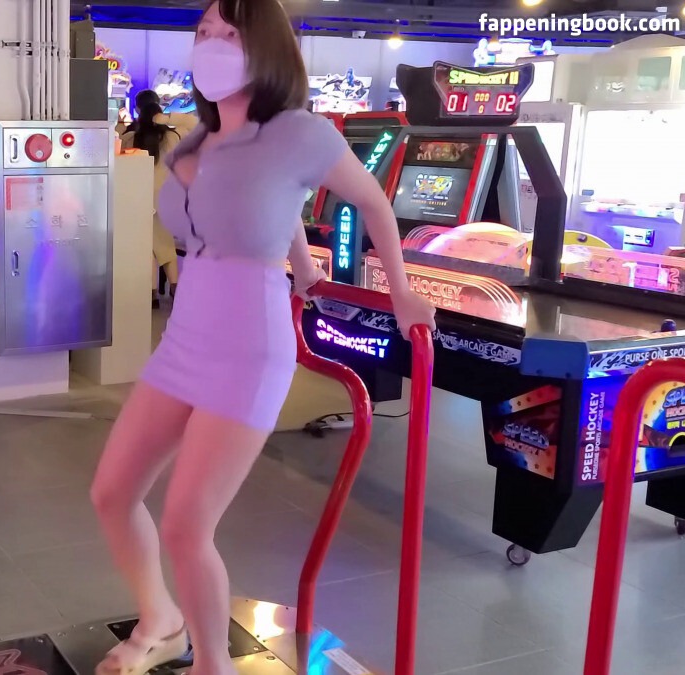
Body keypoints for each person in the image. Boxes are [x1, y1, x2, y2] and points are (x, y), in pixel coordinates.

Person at [88, 2, 437, 675]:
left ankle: (213, 664)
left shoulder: (299, 132)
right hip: (184, 339)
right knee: (112, 491)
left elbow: (372, 201)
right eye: (204, 33)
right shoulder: (195, 139)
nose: (213, 43)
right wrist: (303, 264)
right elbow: (266, 205)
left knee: (186, 524)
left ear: (264, 47)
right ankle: (162, 621)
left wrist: (400, 291)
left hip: (249, 348)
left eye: (231, 32)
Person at [120, 90, 197, 305]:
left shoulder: (130, 138)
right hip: (167, 200)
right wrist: (168, 118)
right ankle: (174, 287)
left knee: (145, 244)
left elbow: (113, 142)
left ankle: (151, 291)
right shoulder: (174, 137)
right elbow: (193, 123)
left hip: (138, 199)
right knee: (164, 241)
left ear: (138, 111)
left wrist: (121, 122)